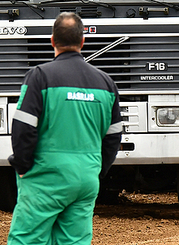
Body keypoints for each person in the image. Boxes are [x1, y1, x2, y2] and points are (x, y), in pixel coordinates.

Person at [7, 12, 122, 245]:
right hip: (86, 179)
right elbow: (113, 137)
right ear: (82, 42)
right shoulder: (106, 83)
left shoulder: (40, 76)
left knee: (26, 240)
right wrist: (95, 170)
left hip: (46, 177)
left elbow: (23, 128)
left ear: (52, 41)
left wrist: (22, 165)